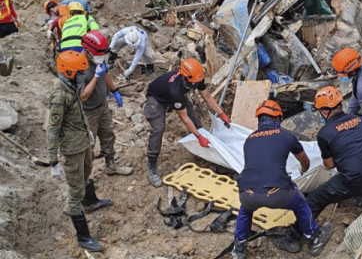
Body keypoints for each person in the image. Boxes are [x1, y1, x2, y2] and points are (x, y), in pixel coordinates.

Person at [232, 100, 332, 259]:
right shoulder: (286, 136)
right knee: (300, 204)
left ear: (259, 120)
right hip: (277, 192)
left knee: (245, 211)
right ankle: (314, 239)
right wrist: (303, 171)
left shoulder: (249, 139)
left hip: (247, 192)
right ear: (279, 118)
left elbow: (256, 165)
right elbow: (305, 161)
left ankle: (239, 248)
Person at [47, 51, 112, 252]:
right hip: (72, 149)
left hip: (82, 142)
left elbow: (78, 113)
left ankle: (90, 201)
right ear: (69, 72)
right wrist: (53, 161)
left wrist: (88, 133)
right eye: (80, 72)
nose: (84, 75)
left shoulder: (72, 86)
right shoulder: (60, 95)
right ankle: (83, 236)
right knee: (75, 193)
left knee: (86, 173)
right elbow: (52, 128)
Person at [144, 58, 231, 187]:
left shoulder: (196, 77)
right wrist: (199, 136)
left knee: (196, 122)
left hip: (175, 95)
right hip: (156, 99)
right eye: (194, 82)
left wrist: (221, 113)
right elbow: (184, 119)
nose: (197, 83)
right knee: (158, 128)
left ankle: (204, 150)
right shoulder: (175, 90)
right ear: (186, 77)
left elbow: (207, 97)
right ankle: (152, 163)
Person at [306, 86, 362, 217]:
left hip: (355, 179)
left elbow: (330, 165)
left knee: (314, 199)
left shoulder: (324, 133)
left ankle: (303, 234)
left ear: (325, 112)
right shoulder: (360, 120)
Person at [79, 31, 133, 176]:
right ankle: (85, 178)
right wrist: (96, 77)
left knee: (108, 135)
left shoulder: (98, 58)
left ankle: (111, 165)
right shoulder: (78, 66)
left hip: (102, 106)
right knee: (88, 144)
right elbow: (83, 95)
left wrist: (114, 91)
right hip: (87, 111)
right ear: (86, 50)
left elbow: (106, 74)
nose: (100, 58)